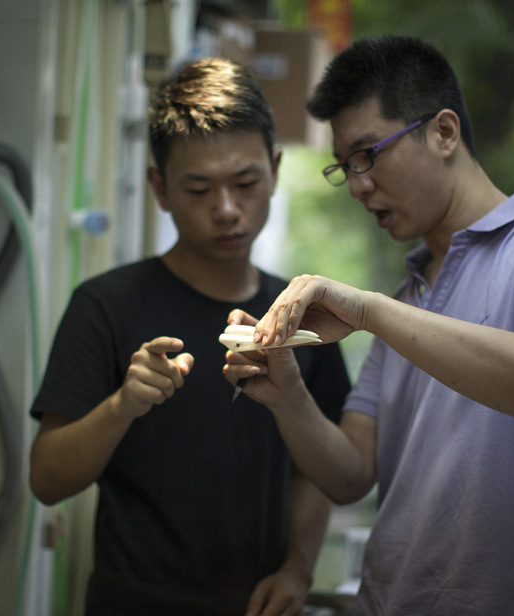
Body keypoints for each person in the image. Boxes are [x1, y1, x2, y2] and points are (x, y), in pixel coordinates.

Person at [223, 36, 514, 615]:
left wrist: (369, 312)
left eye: (367, 154)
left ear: (444, 132)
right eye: (344, 166)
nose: (357, 184)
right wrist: (288, 397)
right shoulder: (408, 299)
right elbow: (351, 476)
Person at [28, 57, 350, 616]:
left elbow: (323, 472)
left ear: (274, 170)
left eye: (245, 183)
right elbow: (47, 479)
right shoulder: (105, 306)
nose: (226, 210)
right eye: (198, 189)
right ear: (159, 187)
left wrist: (299, 569)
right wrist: (122, 406)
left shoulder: (305, 317)